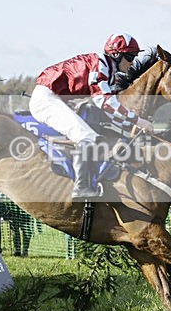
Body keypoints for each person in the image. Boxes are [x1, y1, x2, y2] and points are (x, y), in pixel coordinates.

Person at [29, 33, 154, 199]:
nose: (132, 62)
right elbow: (105, 102)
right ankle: (81, 187)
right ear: (116, 55)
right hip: (46, 99)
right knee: (87, 137)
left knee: (91, 135)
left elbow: (108, 110)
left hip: (55, 97)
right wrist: (138, 120)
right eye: (130, 56)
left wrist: (131, 125)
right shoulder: (101, 66)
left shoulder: (107, 68)